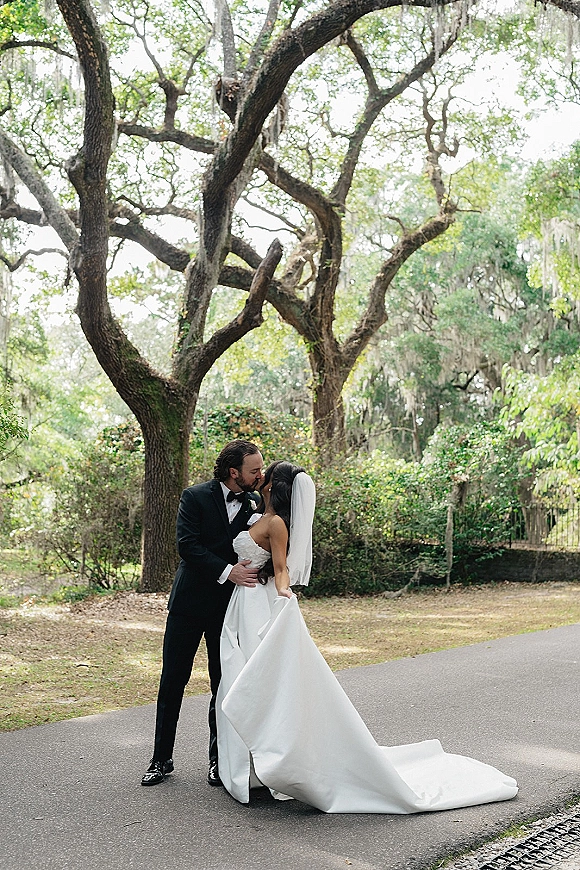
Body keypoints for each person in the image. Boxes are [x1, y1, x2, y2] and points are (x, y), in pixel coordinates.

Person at [216, 460, 519, 813]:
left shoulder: (277, 523)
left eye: (267, 472)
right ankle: (244, 768)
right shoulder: (255, 513)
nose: (261, 474)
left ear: (275, 485)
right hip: (242, 602)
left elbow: (281, 568)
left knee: (255, 684)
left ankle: (258, 769)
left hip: (259, 605)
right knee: (237, 679)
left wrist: (285, 596)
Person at [141, 440, 264, 787]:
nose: (259, 474)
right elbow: (187, 545)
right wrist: (229, 571)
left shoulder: (256, 502)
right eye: (254, 469)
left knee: (221, 684)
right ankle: (160, 759)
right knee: (172, 681)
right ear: (233, 471)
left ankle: (218, 760)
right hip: (188, 605)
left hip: (228, 610)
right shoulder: (193, 497)